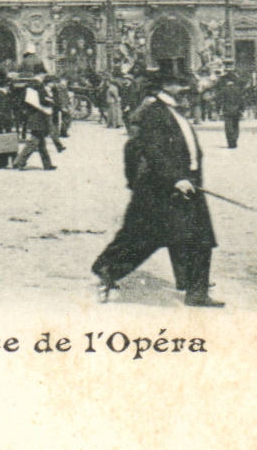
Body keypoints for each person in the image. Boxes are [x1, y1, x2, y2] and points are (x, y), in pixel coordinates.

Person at [92, 71, 222, 308]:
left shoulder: (175, 112)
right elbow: (155, 151)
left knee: (198, 240)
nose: (185, 90)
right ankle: (107, 269)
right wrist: (175, 178)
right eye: (179, 84)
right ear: (165, 88)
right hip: (168, 187)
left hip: (189, 184)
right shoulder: (155, 113)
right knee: (147, 238)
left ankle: (196, 293)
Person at [14, 71, 57, 171]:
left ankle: (47, 164)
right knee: (34, 141)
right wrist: (51, 101)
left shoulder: (30, 85)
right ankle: (19, 162)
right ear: (40, 74)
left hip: (34, 115)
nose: (44, 76)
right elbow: (42, 100)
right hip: (38, 116)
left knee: (41, 142)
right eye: (43, 74)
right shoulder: (38, 85)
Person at [216, 71, 244, 149]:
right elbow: (241, 100)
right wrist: (242, 109)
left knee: (228, 127)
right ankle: (235, 139)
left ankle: (231, 142)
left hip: (227, 111)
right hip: (237, 111)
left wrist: (218, 109)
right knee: (236, 126)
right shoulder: (238, 90)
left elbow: (219, 100)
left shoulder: (224, 90)